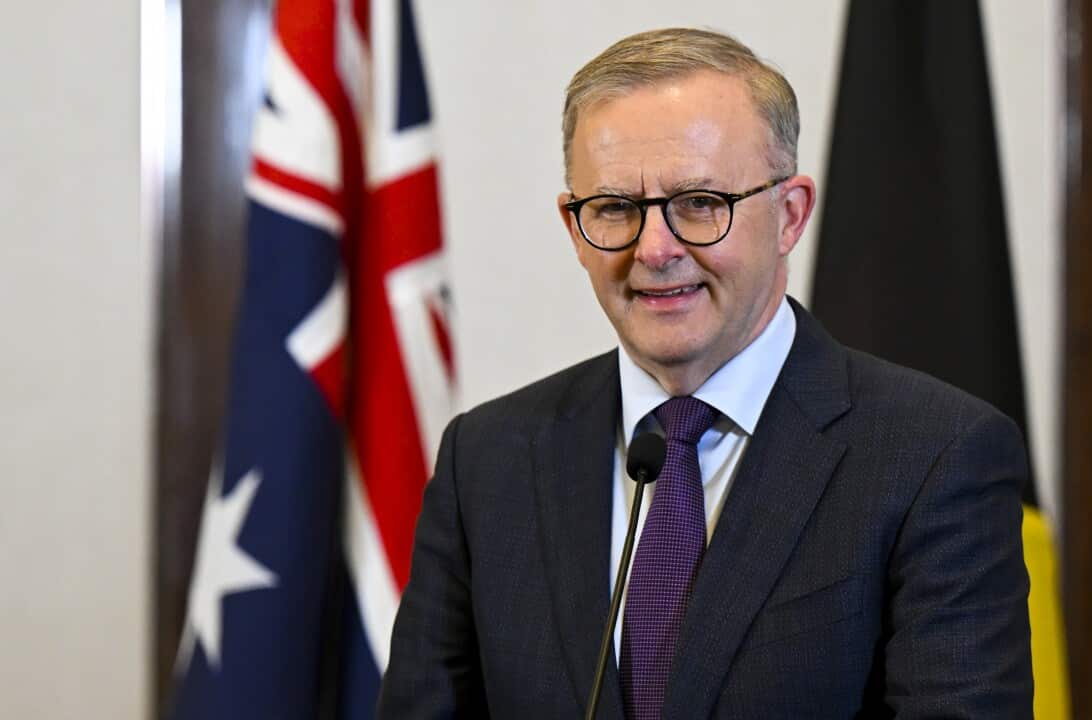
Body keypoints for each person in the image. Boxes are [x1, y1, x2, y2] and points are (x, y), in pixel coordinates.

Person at [378, 28, 1032, 719]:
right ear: (575, 229)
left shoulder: (936, 455)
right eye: (614, 209)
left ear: (789, 215)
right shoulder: (486, 459)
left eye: (699, 204)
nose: (654, 250)